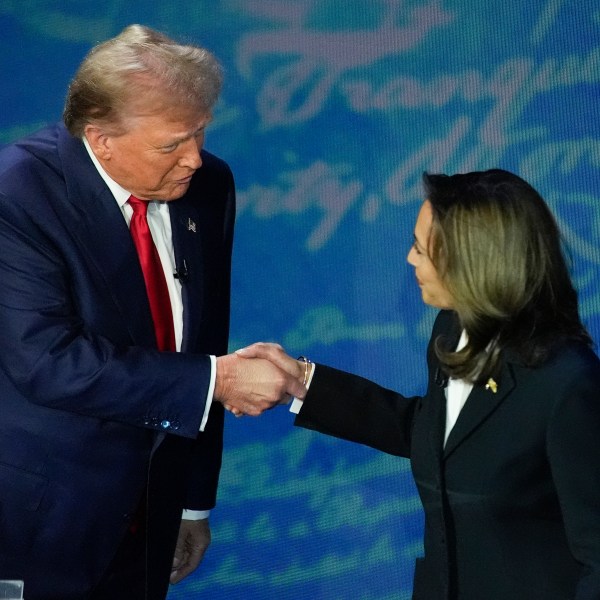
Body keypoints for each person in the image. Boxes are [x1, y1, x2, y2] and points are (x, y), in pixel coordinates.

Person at [0, 25, 304, 600]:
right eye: (172, 144)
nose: (193, 158)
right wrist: (221, 380)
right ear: (101, 138)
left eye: (200, 133)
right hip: (42, 524)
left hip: (152, 520)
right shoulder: (17, 196)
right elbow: (46, 360)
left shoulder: (209, 185)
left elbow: (205, 336)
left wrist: (192, 501)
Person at [239, 169, 600, 599]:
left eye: (420, 249)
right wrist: (303, 383)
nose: (410, 260)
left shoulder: (567, 383)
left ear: (475, 263)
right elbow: (436, 436)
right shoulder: (451, 329)